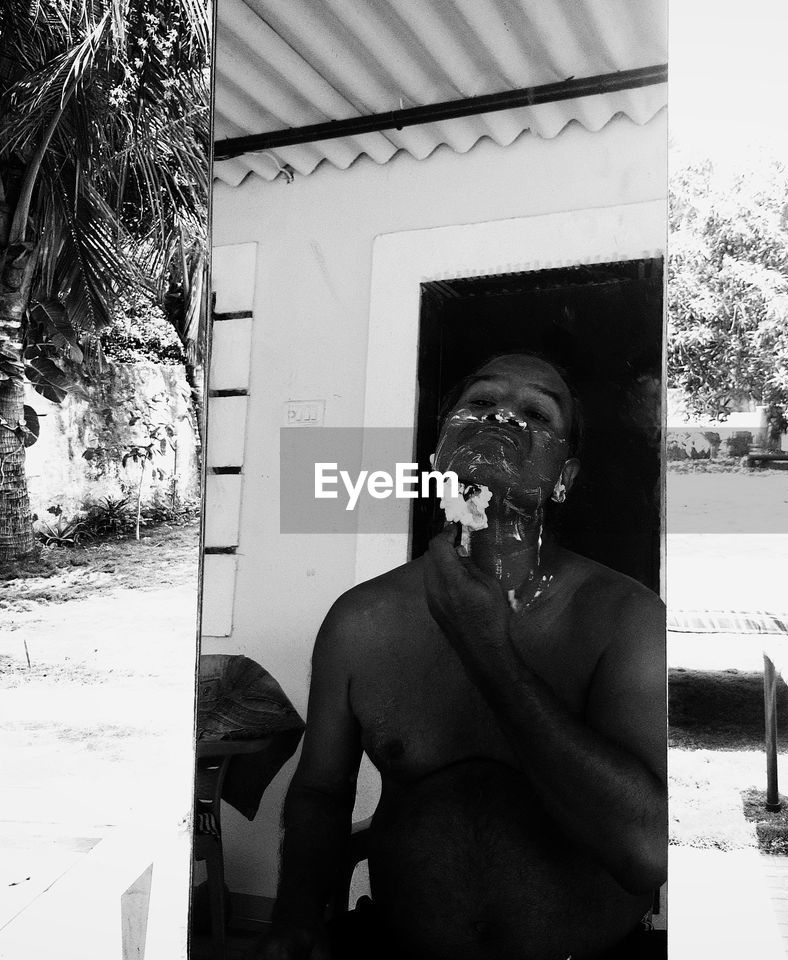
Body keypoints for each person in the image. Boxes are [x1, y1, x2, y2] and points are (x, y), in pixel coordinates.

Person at [256, 353, 667, 960]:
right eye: (479, 403)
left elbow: (644, 853)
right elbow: (321, 791)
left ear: (564, 477)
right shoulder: (361, 619)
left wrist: (486, 646)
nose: (502, 416)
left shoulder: (627, 619)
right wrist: (296, 914)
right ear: (437, 454)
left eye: (534, 412)